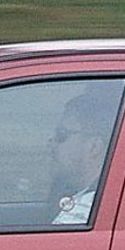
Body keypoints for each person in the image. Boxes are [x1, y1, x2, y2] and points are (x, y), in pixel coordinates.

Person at [49, 88, 118, 225]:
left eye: (62, 134)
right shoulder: (93, 201)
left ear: (94, 147)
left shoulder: (84, 213)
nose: (51, 142)